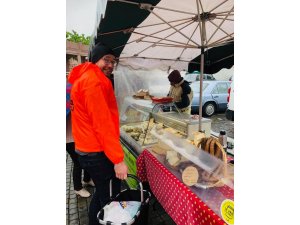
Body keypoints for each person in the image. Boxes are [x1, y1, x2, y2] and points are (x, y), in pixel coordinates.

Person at [68, 43, 128, 225]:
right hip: (97, 153)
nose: (110, 65)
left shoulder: (84, 78)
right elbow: (102, 125)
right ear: (95, 59)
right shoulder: (94, 82)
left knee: (102, 193)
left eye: (113, 61)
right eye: (106, 60)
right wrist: (118, 160)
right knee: (109, 199)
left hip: (86, 150)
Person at [66, 64, 94, 198]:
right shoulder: (69, 91)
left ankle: (87, 179)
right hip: (69, 137)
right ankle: (77, 187)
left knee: (87, 158)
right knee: (78, 162)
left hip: (81, 134)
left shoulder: (78, 89)